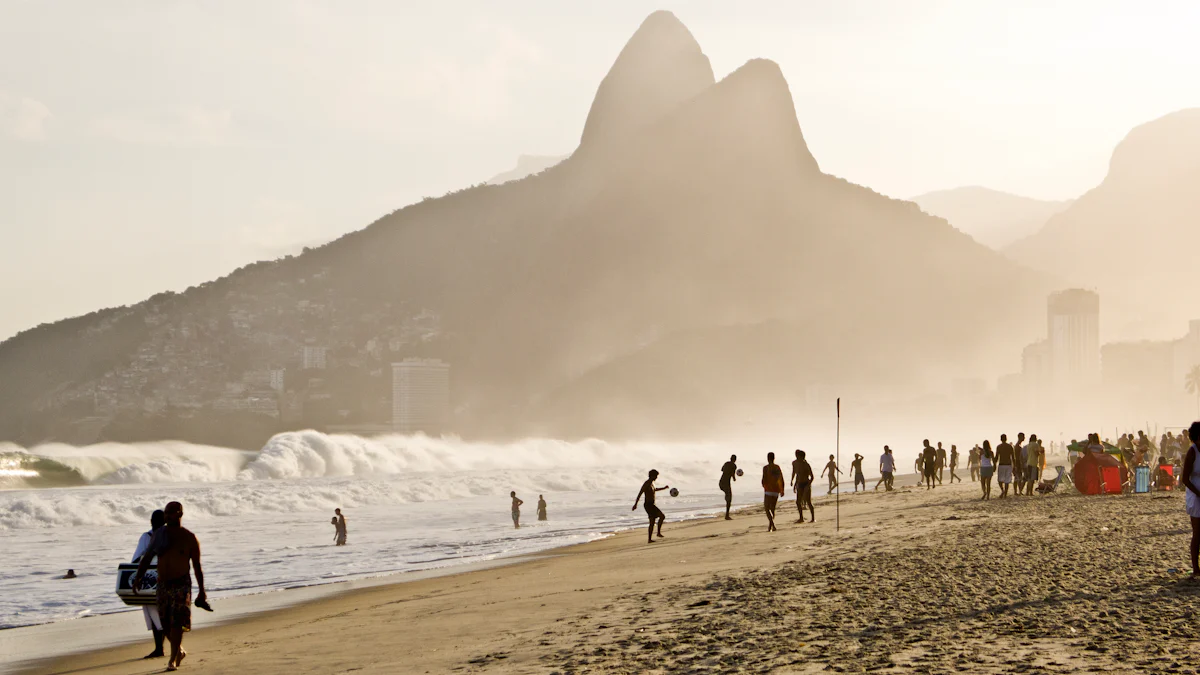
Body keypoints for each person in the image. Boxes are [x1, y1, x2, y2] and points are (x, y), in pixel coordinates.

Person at [132, 501, 206, 673]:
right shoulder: (159, 535)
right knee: (164, 623)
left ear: (180, 514)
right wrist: (138, 577)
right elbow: (147, 556)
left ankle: (172, 660)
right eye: (166, 513)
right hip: (163, 584)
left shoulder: (189, 538)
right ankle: (178, 650)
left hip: (181, 583)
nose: (167, 516)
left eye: (171, 513)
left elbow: (196, 566)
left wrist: (202, 591)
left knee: (176, 622)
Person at [133, 506, 168, 666]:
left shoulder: (148, 537)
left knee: (157, 616)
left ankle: (161, 648)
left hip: (152, 580)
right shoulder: (168, 535)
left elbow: (135, 560)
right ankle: (160, 648)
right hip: (158, 579)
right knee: (159, 615)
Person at [1182, 422, 1200, 578]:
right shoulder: (1192, 452)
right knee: (1197, 533)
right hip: (1195, 495)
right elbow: (1185, 479)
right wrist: (1198, 493)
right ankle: (1196, 568)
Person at [632, 470, 669, 544]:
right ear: (652, 476)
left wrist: (664, 488)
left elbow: (655, 489)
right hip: (648, 505)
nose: (656, 478)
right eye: (655, 476)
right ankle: (653, 537)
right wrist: (635, 504)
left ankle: (654, 536)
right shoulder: (646, 483)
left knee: (658, 519)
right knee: (657, 518)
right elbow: (640, 493)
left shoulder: (652, 483)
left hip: (652, 504)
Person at [762, 452, 785, 532]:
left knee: (766, 508)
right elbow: (781, 478)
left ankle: (772, 524)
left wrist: (764, 485)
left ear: (768, 458)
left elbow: (763, 479)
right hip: (776, 490)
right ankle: (770, 526)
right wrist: (782, 489)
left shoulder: (765, 468)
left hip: (768, 490)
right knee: (772, 509)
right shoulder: (777, 467)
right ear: (774, 458)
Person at [791, 450, 815, 522]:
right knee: (798, 502)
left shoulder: (806, 464)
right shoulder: (794, 463)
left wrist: (808, 485)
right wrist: (793, 482)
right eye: (796, 455)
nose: (796, 457)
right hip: (799, 484)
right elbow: (795, 472)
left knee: (808, 501)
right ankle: (801, 518)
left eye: (798, 456)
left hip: (806, 484)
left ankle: (813, 518)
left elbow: (812, 477)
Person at [719, 454, 738, 520]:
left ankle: (726, 497)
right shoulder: (734, 466)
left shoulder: (726, 463)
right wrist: (734, 478)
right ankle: (727, 515)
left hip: (721, 482)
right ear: (735, 460)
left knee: (728, 496)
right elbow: (733, 474)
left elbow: (722, 470)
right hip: (726, 483)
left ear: (730, 458)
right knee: (729, 499)